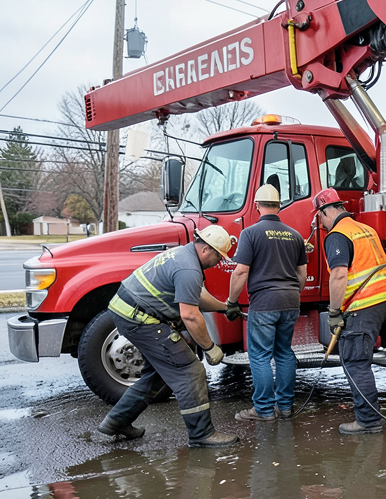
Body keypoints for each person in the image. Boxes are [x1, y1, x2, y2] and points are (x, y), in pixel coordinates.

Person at [98, 225, 239, 448]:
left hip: (126, 312)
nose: (218, 263)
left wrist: (224, 308)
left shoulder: (183, 255)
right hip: (140, 319)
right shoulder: (189, 269)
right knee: (189, 371)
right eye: (219, 257)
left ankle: (116, 422)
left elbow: (195, 296)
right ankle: (202, 434)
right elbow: (190, 316)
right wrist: (211, 348)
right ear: (206, 250)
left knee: (159, 375)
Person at [313, 188, 386, 434]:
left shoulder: (336, 235)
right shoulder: (365, 229)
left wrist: (334, 312)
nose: (321, 223)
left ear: (327, 210)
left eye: (320, 217)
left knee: (355, 360)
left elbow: (338, 274)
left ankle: (367, 420)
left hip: (364, 303)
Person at [226, 183, 308, 421]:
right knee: (283, 353)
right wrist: (292, 294)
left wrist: (232, 302)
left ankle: (263, 410)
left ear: (257, 206)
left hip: (264, 303)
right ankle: (285, 407)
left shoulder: (249, 233)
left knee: (260, 355)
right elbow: (301, 274)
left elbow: (240, 272)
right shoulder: (294, 235)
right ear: (279, 206)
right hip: (291, 301)